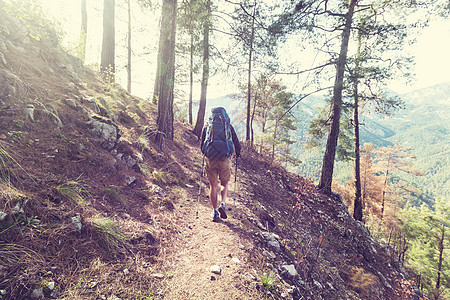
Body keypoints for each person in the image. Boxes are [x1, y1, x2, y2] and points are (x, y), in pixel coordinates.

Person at [200, 107, 241, 222]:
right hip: (224, 158)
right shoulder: (227, 125)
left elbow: (202, 142)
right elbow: (235, 141)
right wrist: (237, 153)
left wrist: (205, 153)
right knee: (224, 183)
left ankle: (214, 211)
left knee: (213, 185)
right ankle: (222, 203)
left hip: (211, 158)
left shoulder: (207, 125)